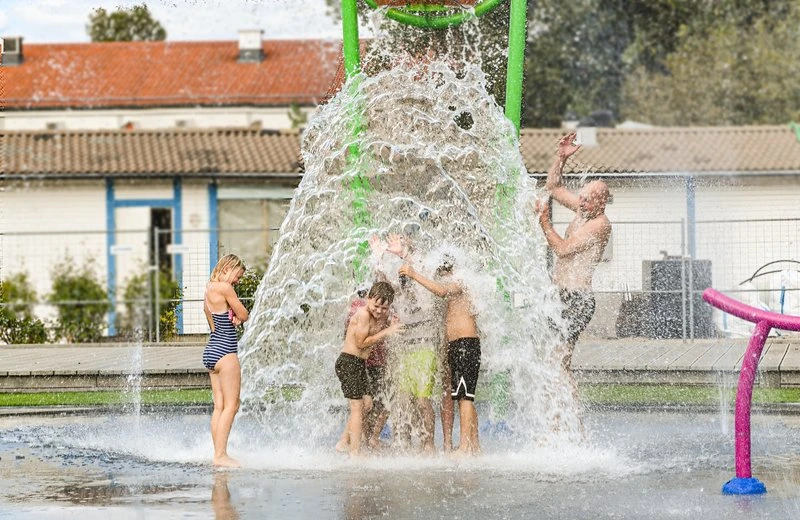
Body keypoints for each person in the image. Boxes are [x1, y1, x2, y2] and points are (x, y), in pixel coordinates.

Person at [535, 132, 612, 391]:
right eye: (580, 197)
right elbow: (554, 188)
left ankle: (570, 424)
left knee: (558, 362)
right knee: (550, 361)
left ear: (601, 202)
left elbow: (563, 249)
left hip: (577, 299)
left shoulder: (600, 225)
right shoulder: (583, 210)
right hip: (562, 294)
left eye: (586, 199)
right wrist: (561, 158)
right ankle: (560, 423)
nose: (580, 202)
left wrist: (544, 221)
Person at [399, 256, 481, 457]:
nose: (442, 280)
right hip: (457, 345)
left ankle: (463, 448)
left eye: (444, 275)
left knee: (465, 397)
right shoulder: (458, 287)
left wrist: (413, 274)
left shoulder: (461, 281)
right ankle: (474, 446)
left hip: (465, 344)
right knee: (464, 396)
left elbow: (442, 291)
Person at [334, 281, 403, 456]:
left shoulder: (379, 317)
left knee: (366, 404)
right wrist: (387, 332)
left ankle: (344, 442)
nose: (379, 311)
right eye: (376, 305)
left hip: (359, 364)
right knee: (357, 407)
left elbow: (381, 330)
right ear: (368, 298)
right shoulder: (363, 314)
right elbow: (360, 342)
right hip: (348, 362)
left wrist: (391, 325)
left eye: (384, 308)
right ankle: (355, 453)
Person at [202, 254, 249, 468]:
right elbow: (244, 314)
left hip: (211, 349)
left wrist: (230, 318)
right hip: (226, 352)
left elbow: (210, 316)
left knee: (219, 406)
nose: (236, 281)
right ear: (227, 268)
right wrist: (238, 315)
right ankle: (221, 455)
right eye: (237, 276)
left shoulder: (209, 289)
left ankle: (217, 453)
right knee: (232, 404)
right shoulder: (225, 288)